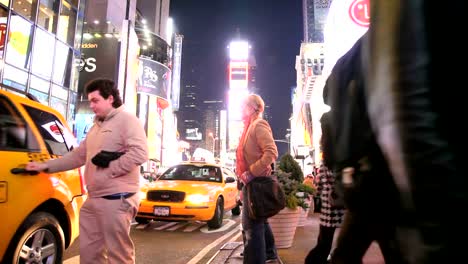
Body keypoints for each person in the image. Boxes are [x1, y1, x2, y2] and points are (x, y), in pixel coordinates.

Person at [26, 78, 148, 264]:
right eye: (90, 100)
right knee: (90, 253)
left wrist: (110, 170)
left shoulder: (127, 120)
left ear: (110, 98)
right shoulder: (96, 126)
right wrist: (46, 166)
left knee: (119, 255)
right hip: (94, 199)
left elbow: (140, 153)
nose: (91, 105)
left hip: (117, 199)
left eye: (95, 100)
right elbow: (77, 156)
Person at [236, 94, 278, 264]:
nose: (240, 110)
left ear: (253, 108)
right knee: (258, 221)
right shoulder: (248, 127)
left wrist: (252, 172)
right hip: (250, 183)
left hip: (256, 183)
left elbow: (271, 152)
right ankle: (269, 253)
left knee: (251, 227)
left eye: (243, 106)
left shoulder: (258, 124)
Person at [305, 122, 345, 264]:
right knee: (345, 242)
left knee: (324, 242)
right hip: (343, 202)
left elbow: (320, 183)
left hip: (329, 206)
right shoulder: (343, 155)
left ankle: (313, 261)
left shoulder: (326, 159)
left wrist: (317, 188)